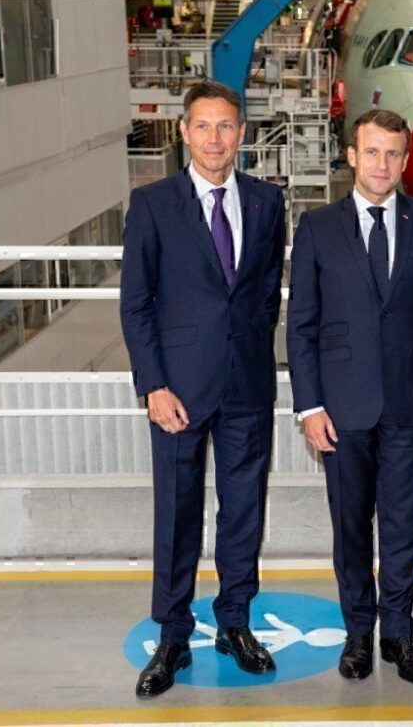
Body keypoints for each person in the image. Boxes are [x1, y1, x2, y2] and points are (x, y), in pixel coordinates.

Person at [120, 80, 286, 698]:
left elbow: (264, 292)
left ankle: (235, 622)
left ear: (241, 133)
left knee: (244, 511)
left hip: (246, 384)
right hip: (178, 393)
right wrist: (153, 384)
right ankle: (171, 633)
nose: (215, 138)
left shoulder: (269, 202)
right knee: (178, 512)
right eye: (203, 126)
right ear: (184, 132)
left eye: (226, 126)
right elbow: (135, 304)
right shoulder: (153, 203)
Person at [286, 109, 413, 685]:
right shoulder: (316, 227)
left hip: (412, 405)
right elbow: (302, 327)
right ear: (351, 156)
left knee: (402, 524)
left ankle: (399, 636)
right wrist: (309, 406)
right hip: (340, 410)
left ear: (406, 160)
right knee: (351, 527)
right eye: (372, 152)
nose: (382, 164)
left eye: (393, 153)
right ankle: (358, 635)